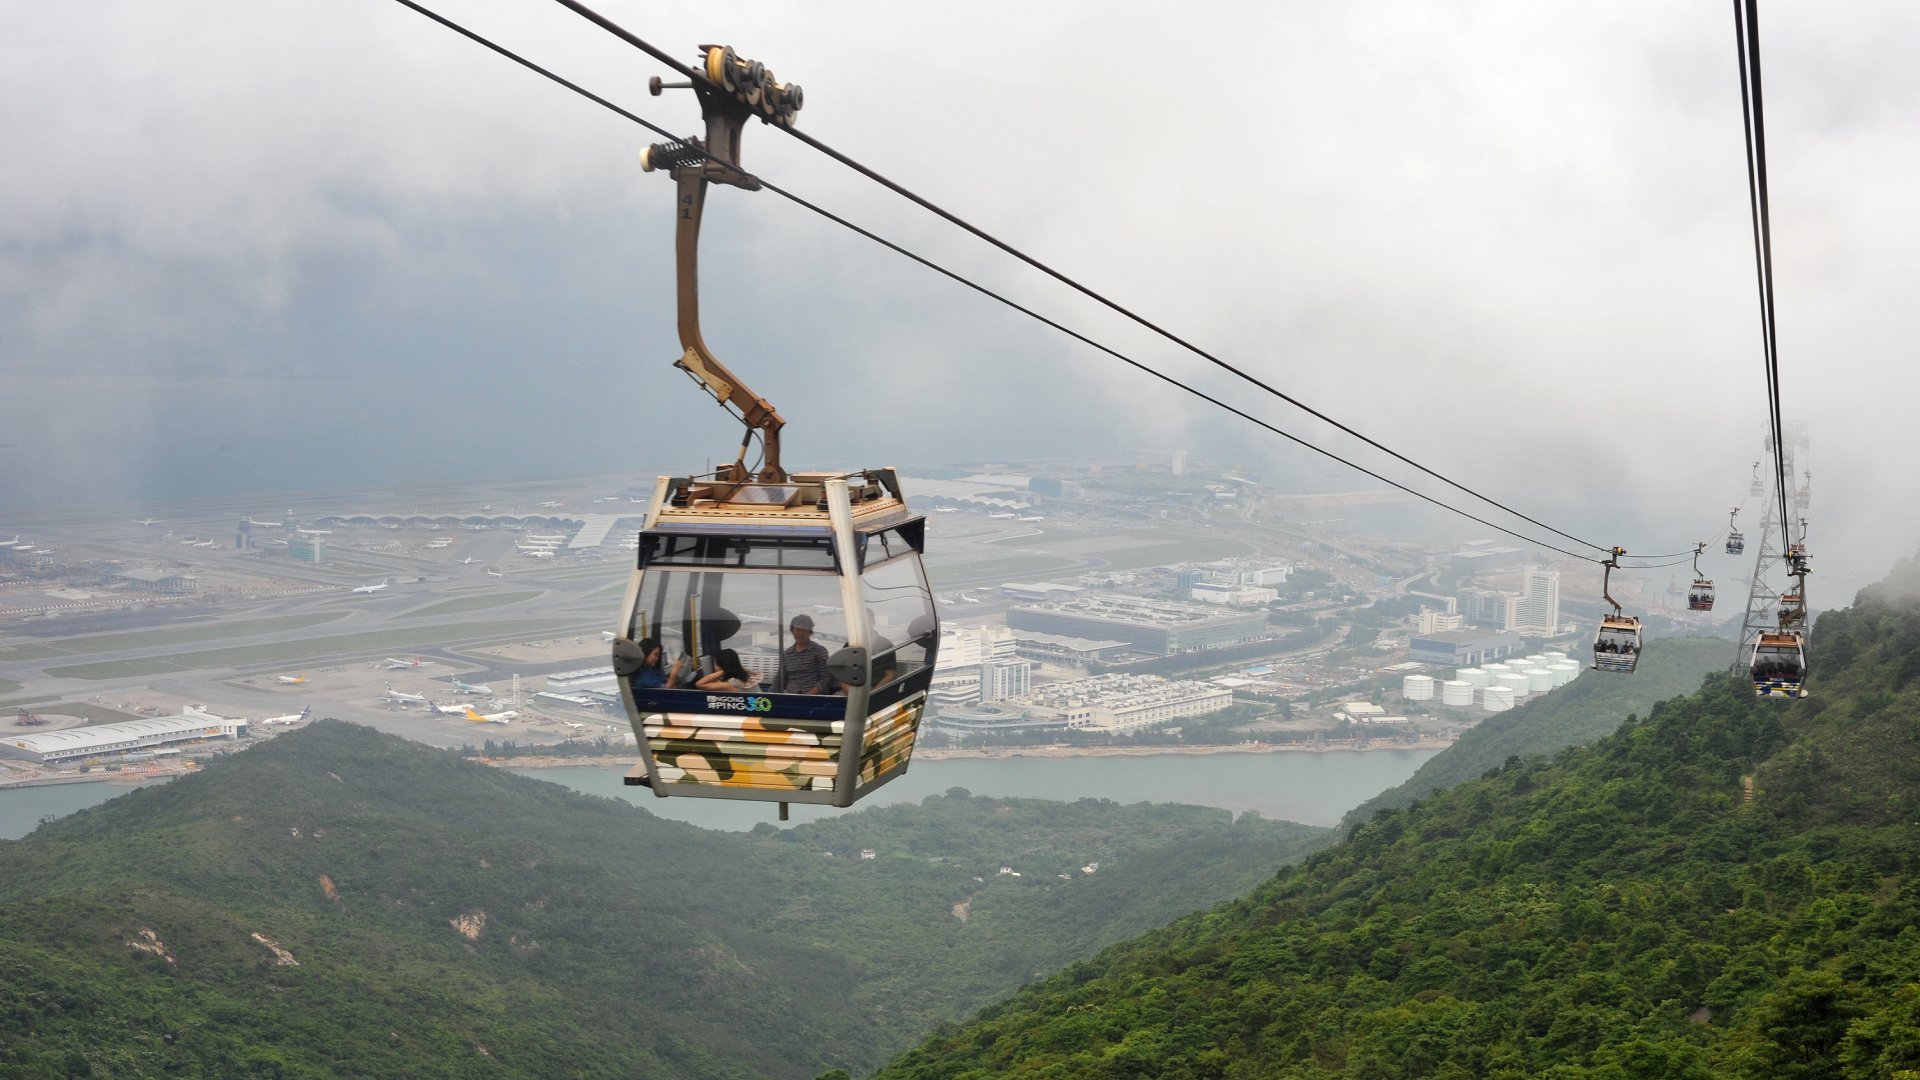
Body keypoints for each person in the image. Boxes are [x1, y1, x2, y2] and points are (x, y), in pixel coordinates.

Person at [776, 613, 834, 694]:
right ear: (792, 631)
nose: (800, 634)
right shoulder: (787, 654)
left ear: (810, 632)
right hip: (791, 697)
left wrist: (811, 693)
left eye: (803, 630)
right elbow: (779, 680)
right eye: (797, 630)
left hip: (815, 698)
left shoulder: (819, 651)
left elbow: (826, 677)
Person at [695, 648, 761, 692]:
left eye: (716, 665)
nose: (715, 667)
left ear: (723, 667)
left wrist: (724, 671)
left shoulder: (729, 685)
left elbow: (700, 684)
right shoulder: (749, 677)